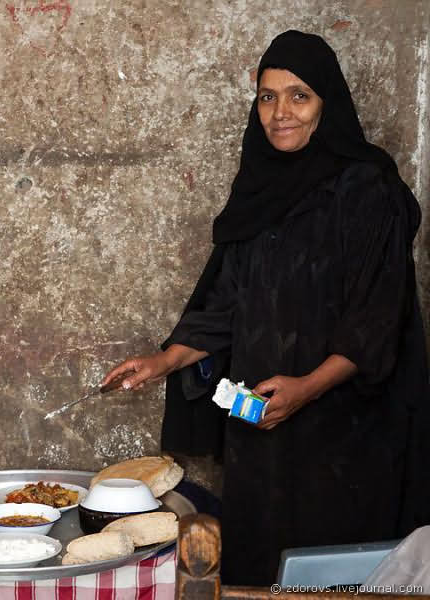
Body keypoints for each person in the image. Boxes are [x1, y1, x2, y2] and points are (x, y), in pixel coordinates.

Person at [101, 30, 430, 586]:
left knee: (330, 574)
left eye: (299, 96)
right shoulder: (259, 186)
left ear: (328, 102)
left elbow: (376, 320)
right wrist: (166, 361)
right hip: (263, 427)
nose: (280, 113)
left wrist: (307, 386)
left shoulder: (367, 189)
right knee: (259, 569)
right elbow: (229, 300)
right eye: (267, 96)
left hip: (346, 436)